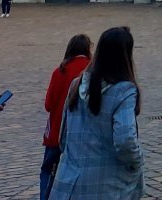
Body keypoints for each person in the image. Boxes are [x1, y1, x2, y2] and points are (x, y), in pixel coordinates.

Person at [50, 27, 142, 200]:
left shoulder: (76, 84)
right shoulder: (124, 91)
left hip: (68, 183)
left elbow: (63, 138)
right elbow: (125, 141)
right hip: (106, 185)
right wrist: (137, 162)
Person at [41, 33, 92, 200]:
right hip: (83, 134)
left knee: (48, 171)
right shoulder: (92, 72)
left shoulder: (60, 71)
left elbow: (48, 105)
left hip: (57, 131)